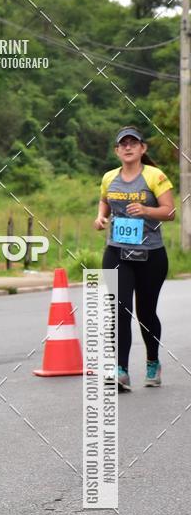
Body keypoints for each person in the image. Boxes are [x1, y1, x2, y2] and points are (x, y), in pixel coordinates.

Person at [94, 126, 175, 391]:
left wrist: (146, 210)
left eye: (133, 143)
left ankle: (153, 361)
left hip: (151, 254)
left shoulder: (155, 176)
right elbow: (105, 201)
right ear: (117, 150)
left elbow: (170, 212)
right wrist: (101, 217)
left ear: (143, 148)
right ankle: (121, 370)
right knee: (118, 310)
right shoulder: (109, 177)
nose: (128, 147)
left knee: (146, 313)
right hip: (117, 252)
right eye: (123, 144)